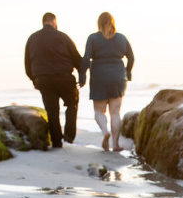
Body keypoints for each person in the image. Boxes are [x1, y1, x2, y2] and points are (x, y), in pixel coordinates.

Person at [24, 13, 82, 148]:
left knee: (52, 111)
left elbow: (27, 64)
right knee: (72, 105)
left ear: (43, 22)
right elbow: (77, 59)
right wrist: (82, 76)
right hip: (64, 78)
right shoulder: (63, 37)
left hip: (44, 80)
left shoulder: (32, 38)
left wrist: (34, 79)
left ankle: (57, 142)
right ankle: (69, 137)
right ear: (54, 22)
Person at [80, 12, 134, 151]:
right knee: (115, 112)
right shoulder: (121, 38)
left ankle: (105, 132)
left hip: (99, 77)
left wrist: (82, 76)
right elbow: (131, 57)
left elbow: (86, 58)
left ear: (99, 23)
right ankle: (115, 145)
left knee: (99, 111)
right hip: (117, 77)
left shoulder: (93, 38)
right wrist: (128, 72)